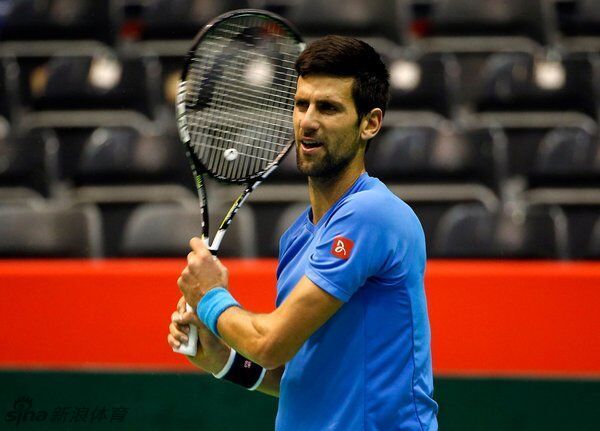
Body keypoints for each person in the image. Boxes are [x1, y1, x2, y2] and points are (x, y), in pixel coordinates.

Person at [168, 35, 438, 430]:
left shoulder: (373, 214)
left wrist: (209, 297)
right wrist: (223, 360)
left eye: (328, 108)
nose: (307, 121)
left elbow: (269, 343)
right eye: (301, 104)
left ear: (370, 123)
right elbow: (299, 376)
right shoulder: (297, 237)